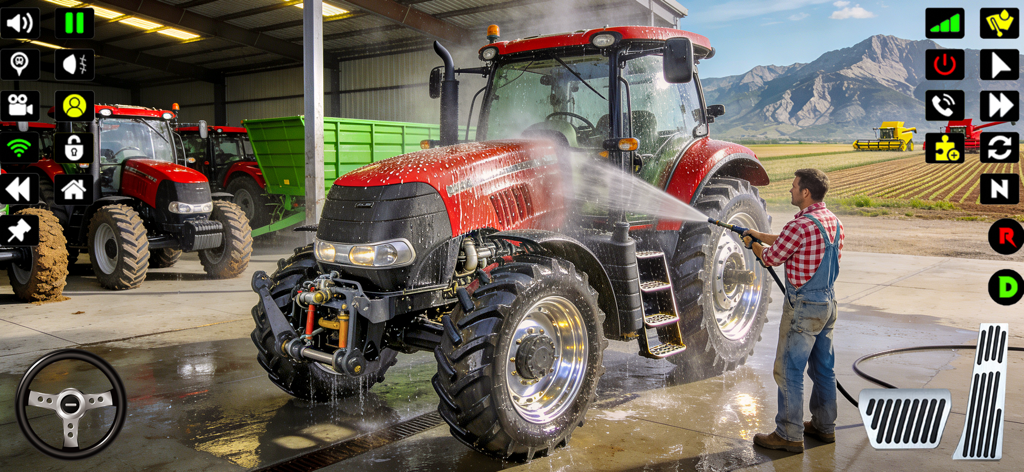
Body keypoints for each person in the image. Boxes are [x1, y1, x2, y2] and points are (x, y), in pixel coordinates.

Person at [742, 168, 845, 453]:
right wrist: (759, 234)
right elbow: (791, 242)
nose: (790, 190)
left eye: (793, 186)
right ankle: (825, 427)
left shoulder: (798, 226)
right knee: (824, 369)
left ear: (805, 192)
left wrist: (754, 246)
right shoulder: (832, 221)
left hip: (802, 308)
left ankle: (789, 433)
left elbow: (772, 258)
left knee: (789, 371)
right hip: (828, 304)